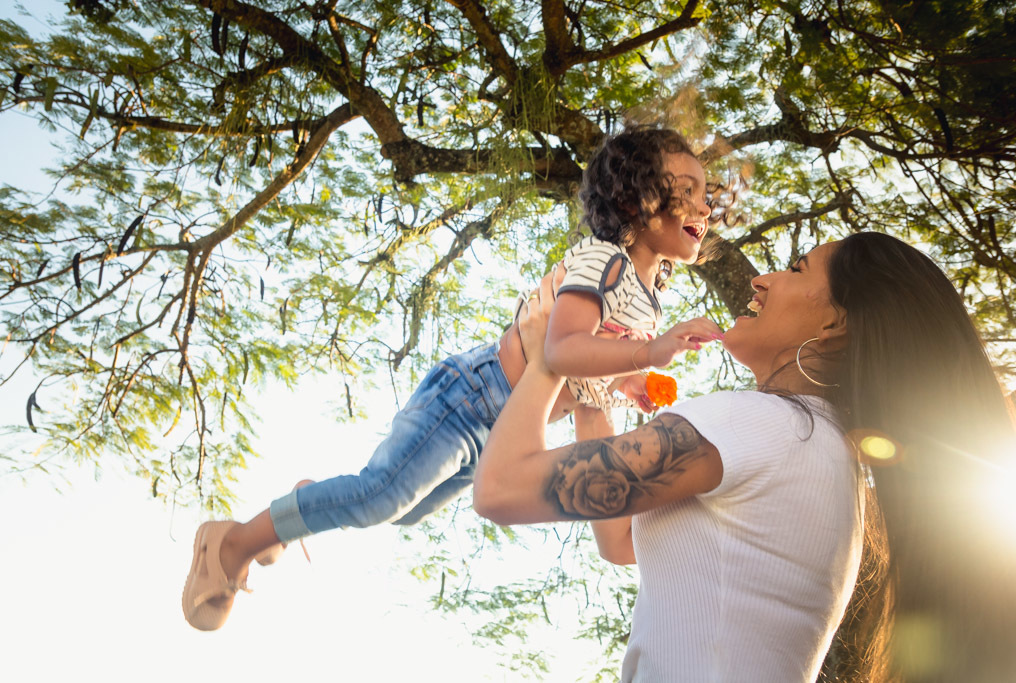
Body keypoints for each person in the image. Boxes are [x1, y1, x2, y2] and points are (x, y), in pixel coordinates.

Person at [181, 126, 724, 631]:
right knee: (380, 499)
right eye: (688, 190)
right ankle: (233, 543)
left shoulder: (647, 300)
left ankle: (312, 500)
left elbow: (594, 367)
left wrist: (633, 381)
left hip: (500, 431)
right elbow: (560, 347)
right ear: (637, 200)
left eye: (706, 192)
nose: (705, 205)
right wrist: (653, 349)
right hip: (473, 397)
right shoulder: (602, 260)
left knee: (404, 511)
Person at [472, 231, 1016, 682]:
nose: (761, 279)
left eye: (797, 269)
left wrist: (550, 357)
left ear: (833, 325)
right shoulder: (822, 454)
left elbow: (500, 489)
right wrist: (591, 392)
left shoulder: (765, 425)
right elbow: (620, 540)